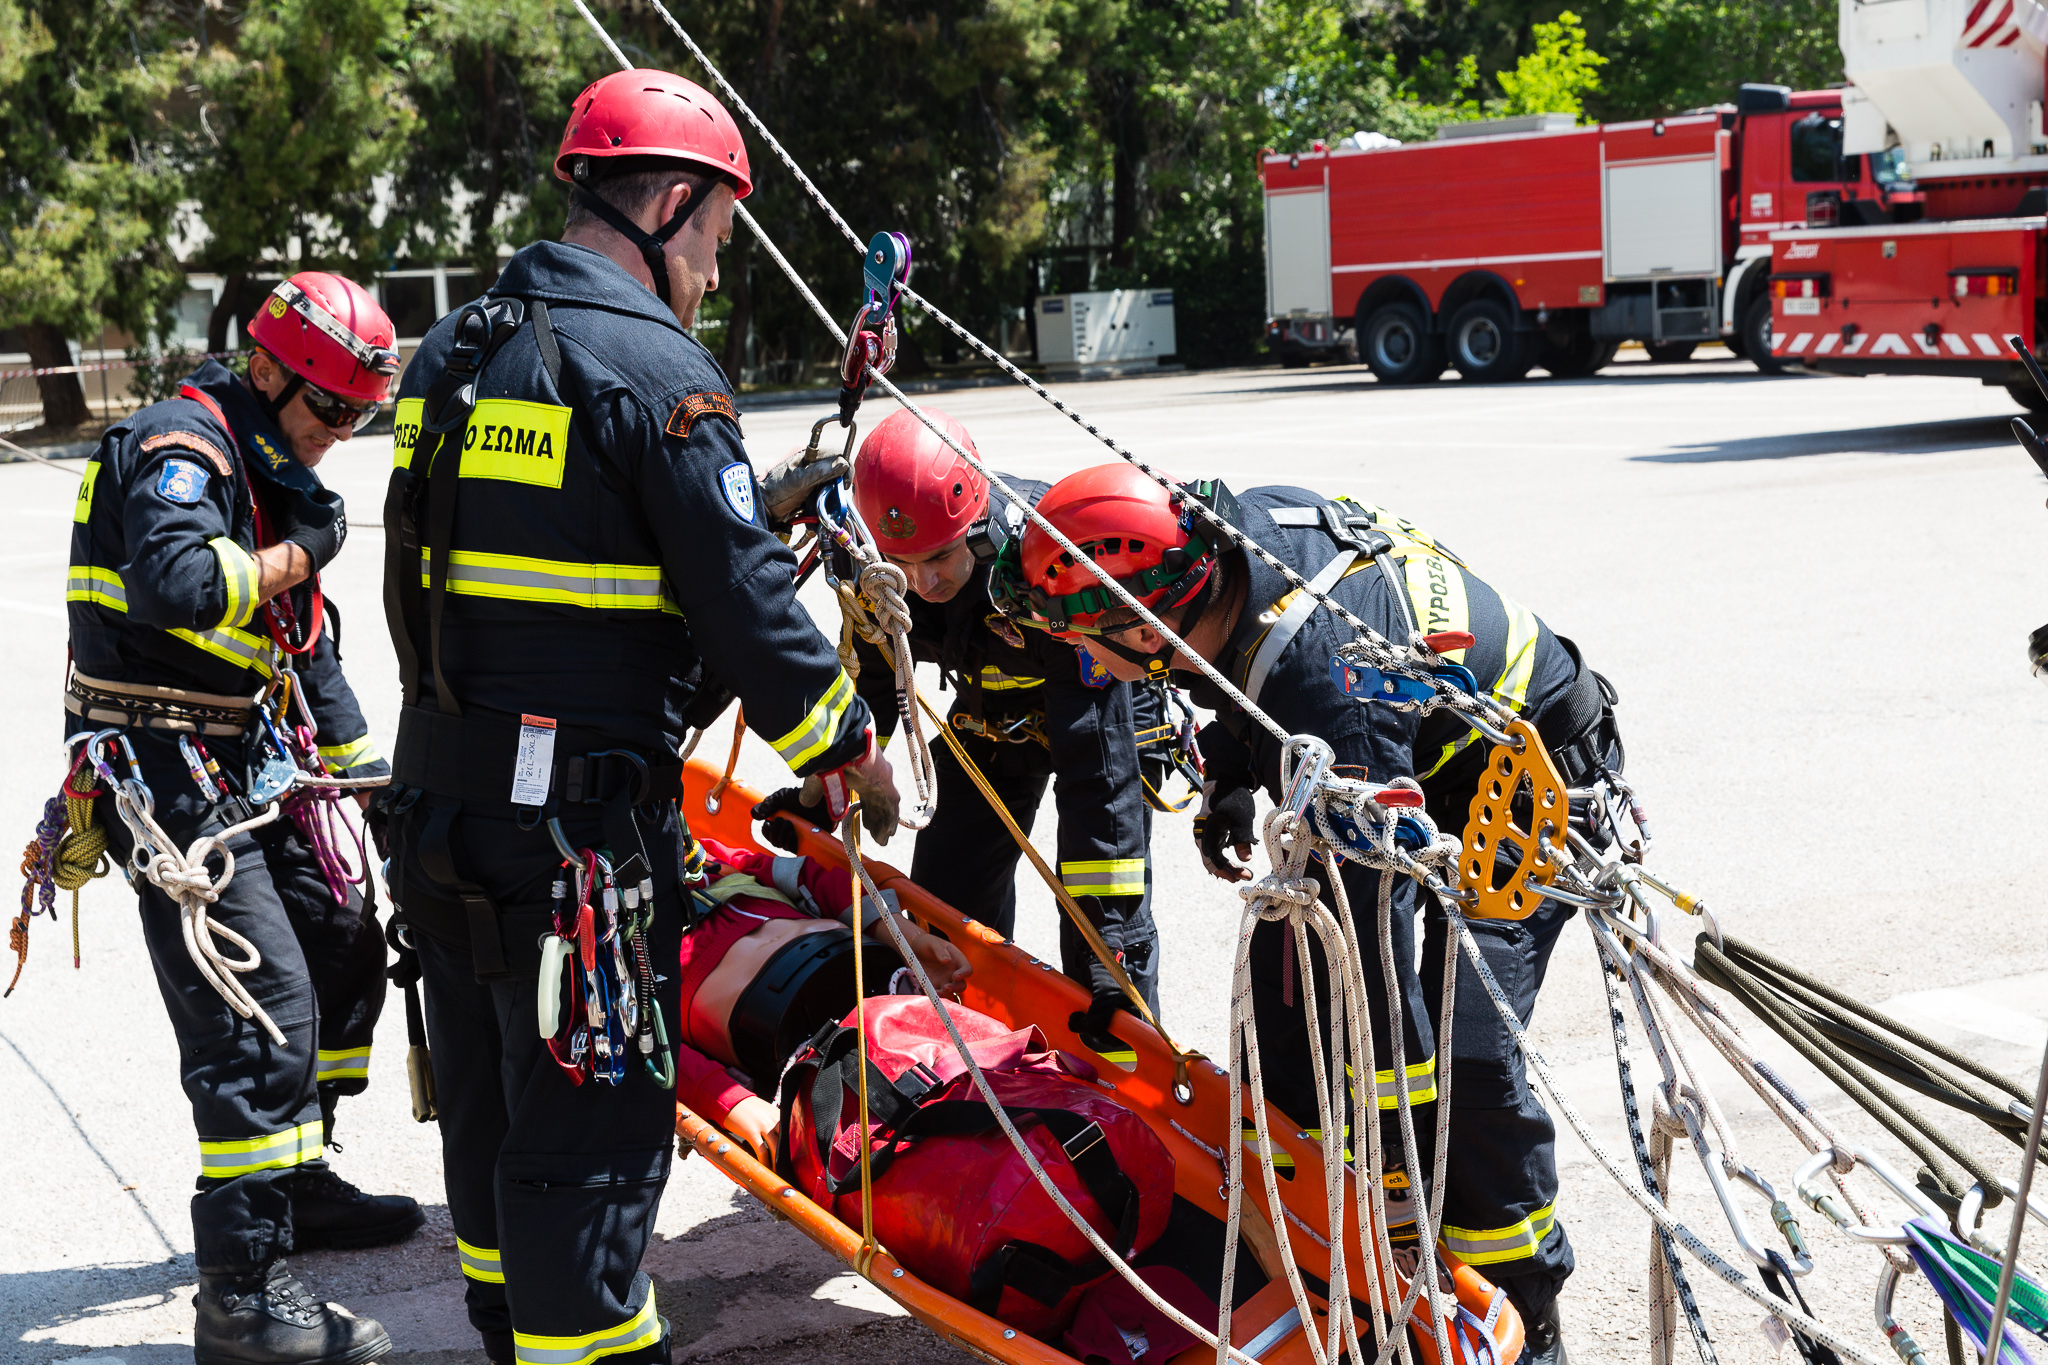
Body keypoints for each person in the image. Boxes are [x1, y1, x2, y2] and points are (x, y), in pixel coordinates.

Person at [378, 68, 899, 1365]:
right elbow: (745, 609)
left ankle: (508, 1323)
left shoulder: (448, 354)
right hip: (578, 843)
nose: (715, 270)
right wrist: (847, 745)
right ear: (670, 204)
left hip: (442, 802)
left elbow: (426, 574)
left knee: (494, 1100)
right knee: (593, 1135)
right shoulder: (658, 371)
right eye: (717, 236)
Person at [992, 465, 1625, 1365]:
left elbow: (1370, 962)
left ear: (1148, 622)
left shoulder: (1336, 689)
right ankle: (1315, 1255)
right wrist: (1232, 777)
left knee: (1465, 1060)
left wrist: (1397, 1181)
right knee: (1285, 1017)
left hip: (1529, 794)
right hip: (1422, 765)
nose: (1092, 667)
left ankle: (1522, 1314)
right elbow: (1249, 678)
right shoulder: (1229, 548)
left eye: (1095, 644)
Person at [64, 271, 419, 1365]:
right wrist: (303, 547)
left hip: (242, 754)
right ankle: (244, 1290)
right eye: (329, 411)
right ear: (269, 370)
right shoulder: (190, 447)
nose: (336, 437)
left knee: (342, 948)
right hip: (161, 765)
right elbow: (176, 583)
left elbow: (306, 642)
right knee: (256, 1009)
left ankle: (299, 1181)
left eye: (358, 419)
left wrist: (375, 788)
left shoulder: (266, 459)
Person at [753, 406, 1160, 1058]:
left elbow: (1098, 783)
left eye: (940, 557)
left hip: (1098, 710)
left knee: (1100, 932)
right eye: (903, 563)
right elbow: (875, 691)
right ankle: (971, 1056)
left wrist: (1109, 950)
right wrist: (825, 791)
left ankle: (1125, 1072)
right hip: (995, 719)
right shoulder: (872, 571)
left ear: (973, 527)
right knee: (943, 904)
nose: (924, 583)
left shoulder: (1050, 564)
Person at [669, 836, 969, 1162]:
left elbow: (808, 878)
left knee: (950, 1071)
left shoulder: (695, 850)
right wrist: (731, 1101)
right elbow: (640, 1045)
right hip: (785, 1043)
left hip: (872, 972)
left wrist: (905, 937)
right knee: (887, 1122)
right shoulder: (613, 943)